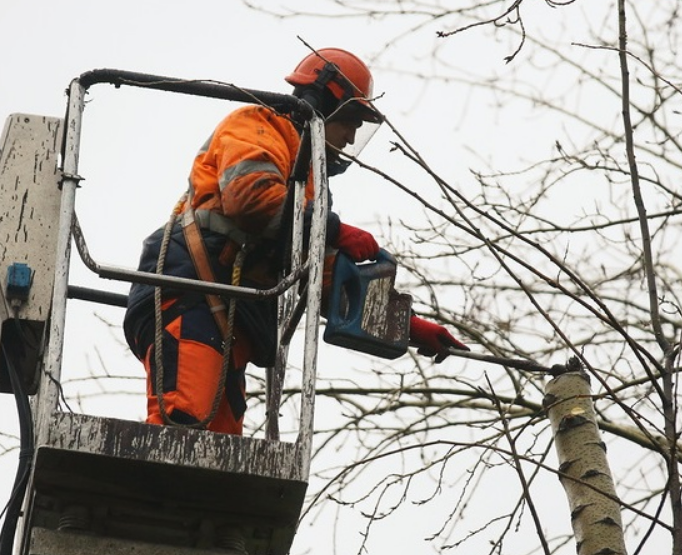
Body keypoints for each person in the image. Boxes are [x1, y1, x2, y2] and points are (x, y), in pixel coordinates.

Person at [123, 48, 468, 435]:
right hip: (190, 295)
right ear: (323, 101)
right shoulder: (258, 123)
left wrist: (407, 325)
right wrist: (334, 230)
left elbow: (319, 277)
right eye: (351, 121)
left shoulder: (306, 183)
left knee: (217, 446)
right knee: (182, 423)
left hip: (229, 317)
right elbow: (250, 198)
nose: (352, 138)